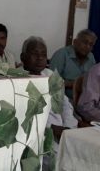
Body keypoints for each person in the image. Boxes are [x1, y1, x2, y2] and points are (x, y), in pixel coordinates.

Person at [20, 36, 77, 170]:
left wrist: (69, 128)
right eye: (35, 54)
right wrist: (52, 128)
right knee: (58, 161)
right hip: (37, 136)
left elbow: (65, 105)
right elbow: (24, 116)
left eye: (44, 55)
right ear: (23, 57)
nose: (40, 58)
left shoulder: (51, 75)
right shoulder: (17, 80)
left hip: (62, 132)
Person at [50, 29, 97, 100]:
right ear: (75, 42)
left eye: (91, 44)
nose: (87, 47)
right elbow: (51, 82)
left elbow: (93, 80)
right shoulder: (61, 55)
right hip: (62, 100)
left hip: (85, 101)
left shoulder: (91, 57)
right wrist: (75, 84)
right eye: (85, 42)